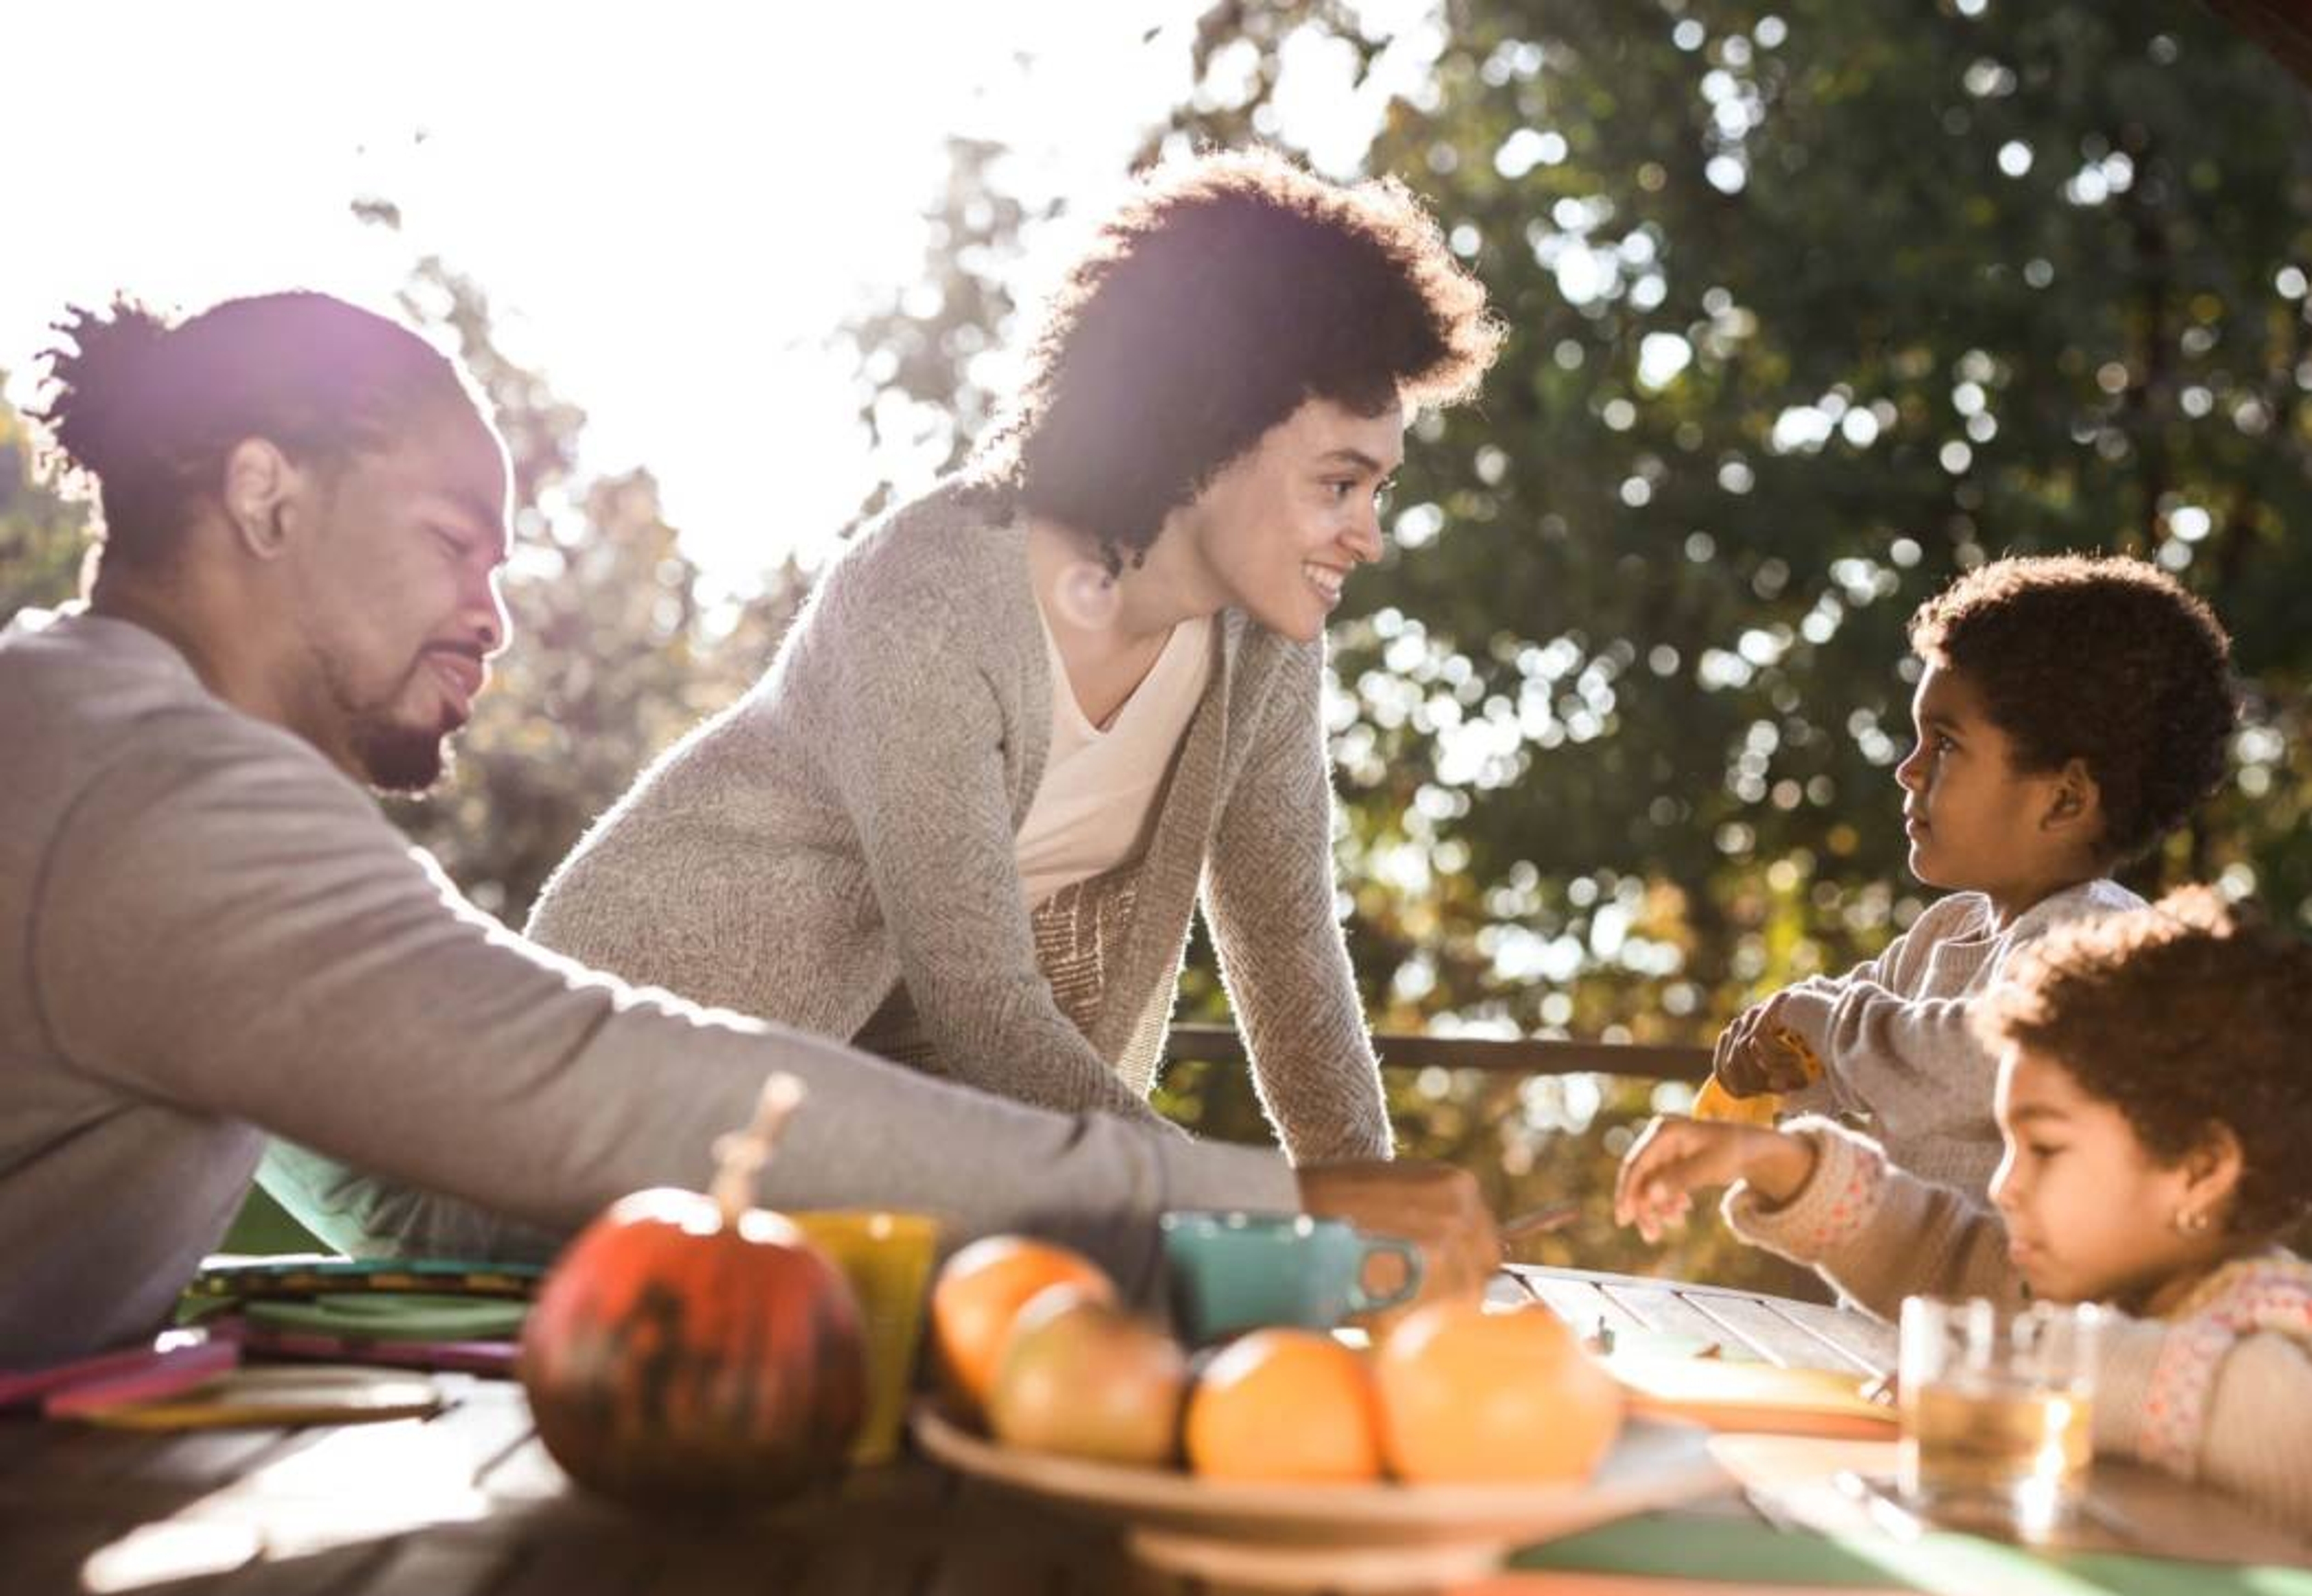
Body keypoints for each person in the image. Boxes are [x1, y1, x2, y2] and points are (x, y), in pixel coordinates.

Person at [0, 289, 1497, 1371]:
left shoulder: (104, 752)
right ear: (265, 494)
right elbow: (595, 1084)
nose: (494, 614)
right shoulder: (152, 796)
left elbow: (396, 1125)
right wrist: (1263, 1208)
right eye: (455, 542)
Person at [522, 148, 1500, 1152]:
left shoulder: (1263, 646)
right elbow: (981, 1002)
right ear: (1209, 428)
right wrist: (1211, 1194)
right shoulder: (930, 591)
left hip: (834, 1139)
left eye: (1379, 493)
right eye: (1339, 484)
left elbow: (1291, 959)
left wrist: (1382, 1214)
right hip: (599, 1072)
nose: (1367, 537)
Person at [1619, 889, 2312, 1594]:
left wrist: (2012, 1371)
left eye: (2044, 1148)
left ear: (2200, 1168)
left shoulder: (2304, 1326)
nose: (2007, 1183)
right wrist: (1780, 1161)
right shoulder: (2109, 1291)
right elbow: (1946, 1255)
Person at [1709, 555, 2238, 1198]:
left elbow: (1975, 1057)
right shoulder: (1944, 933)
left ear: (2065, 800)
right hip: (1908, 1299)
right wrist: (1783, 1056)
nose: (1908, 769)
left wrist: (1825, 1030)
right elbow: (1860, 1047)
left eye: (1945, 744)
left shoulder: (2106, 947)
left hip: (2025, 1299)